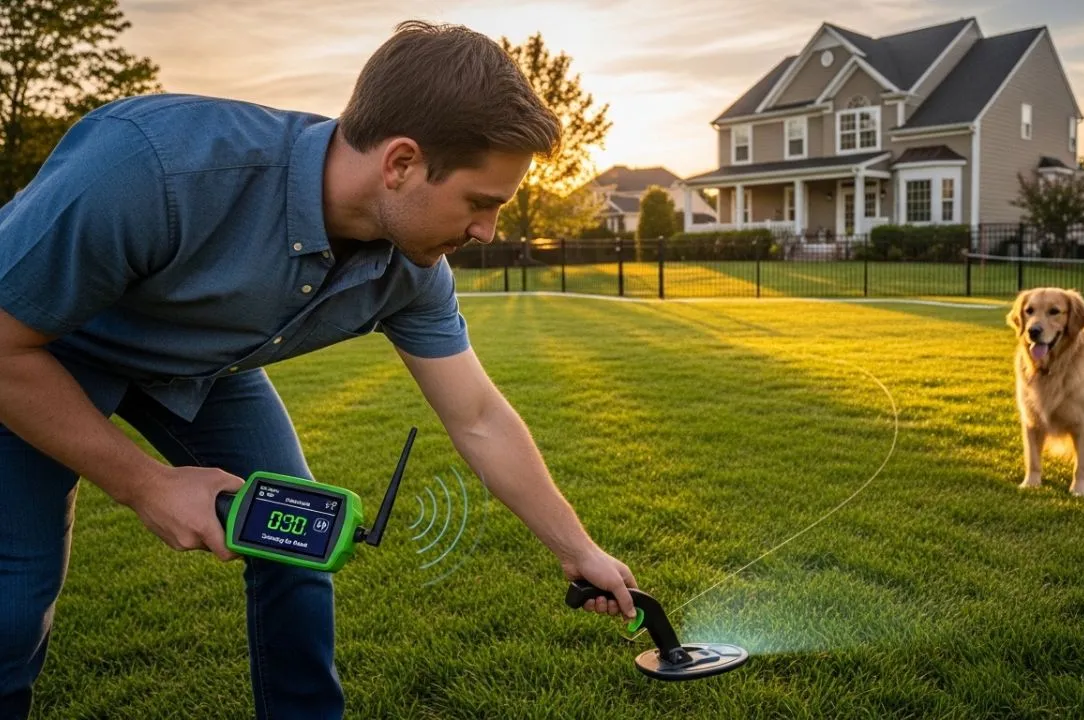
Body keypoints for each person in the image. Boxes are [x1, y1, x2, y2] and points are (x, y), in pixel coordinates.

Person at [0, 20, 636, 720]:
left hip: (209, 365)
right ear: (400, 163)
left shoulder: (414, 271)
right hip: (41, 349)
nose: (487, 231)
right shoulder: (151, 167)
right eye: (481, 203)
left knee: (298, 542)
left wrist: (578, 549)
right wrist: (146, 484)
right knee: (13, 603)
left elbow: (479, 417)